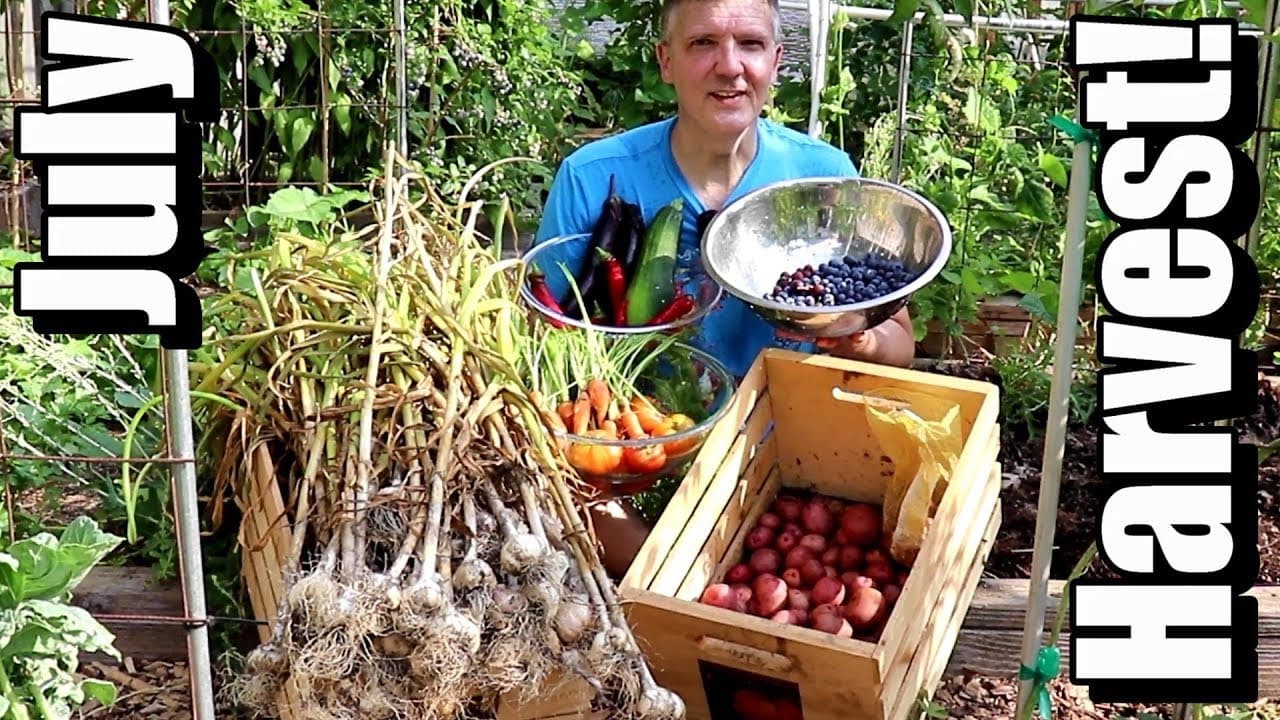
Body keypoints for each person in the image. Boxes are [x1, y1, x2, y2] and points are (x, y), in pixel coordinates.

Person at [534, 0, 916, 578]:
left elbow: (901, 342)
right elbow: (544, 365)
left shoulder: (823, 177)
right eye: (703, 43)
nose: (729, 66)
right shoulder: (592, 178)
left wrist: (856, 338)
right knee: (670, 586)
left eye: (751, 44)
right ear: (666, 61)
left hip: (791, 465)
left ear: (777, 62)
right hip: (638, 462)